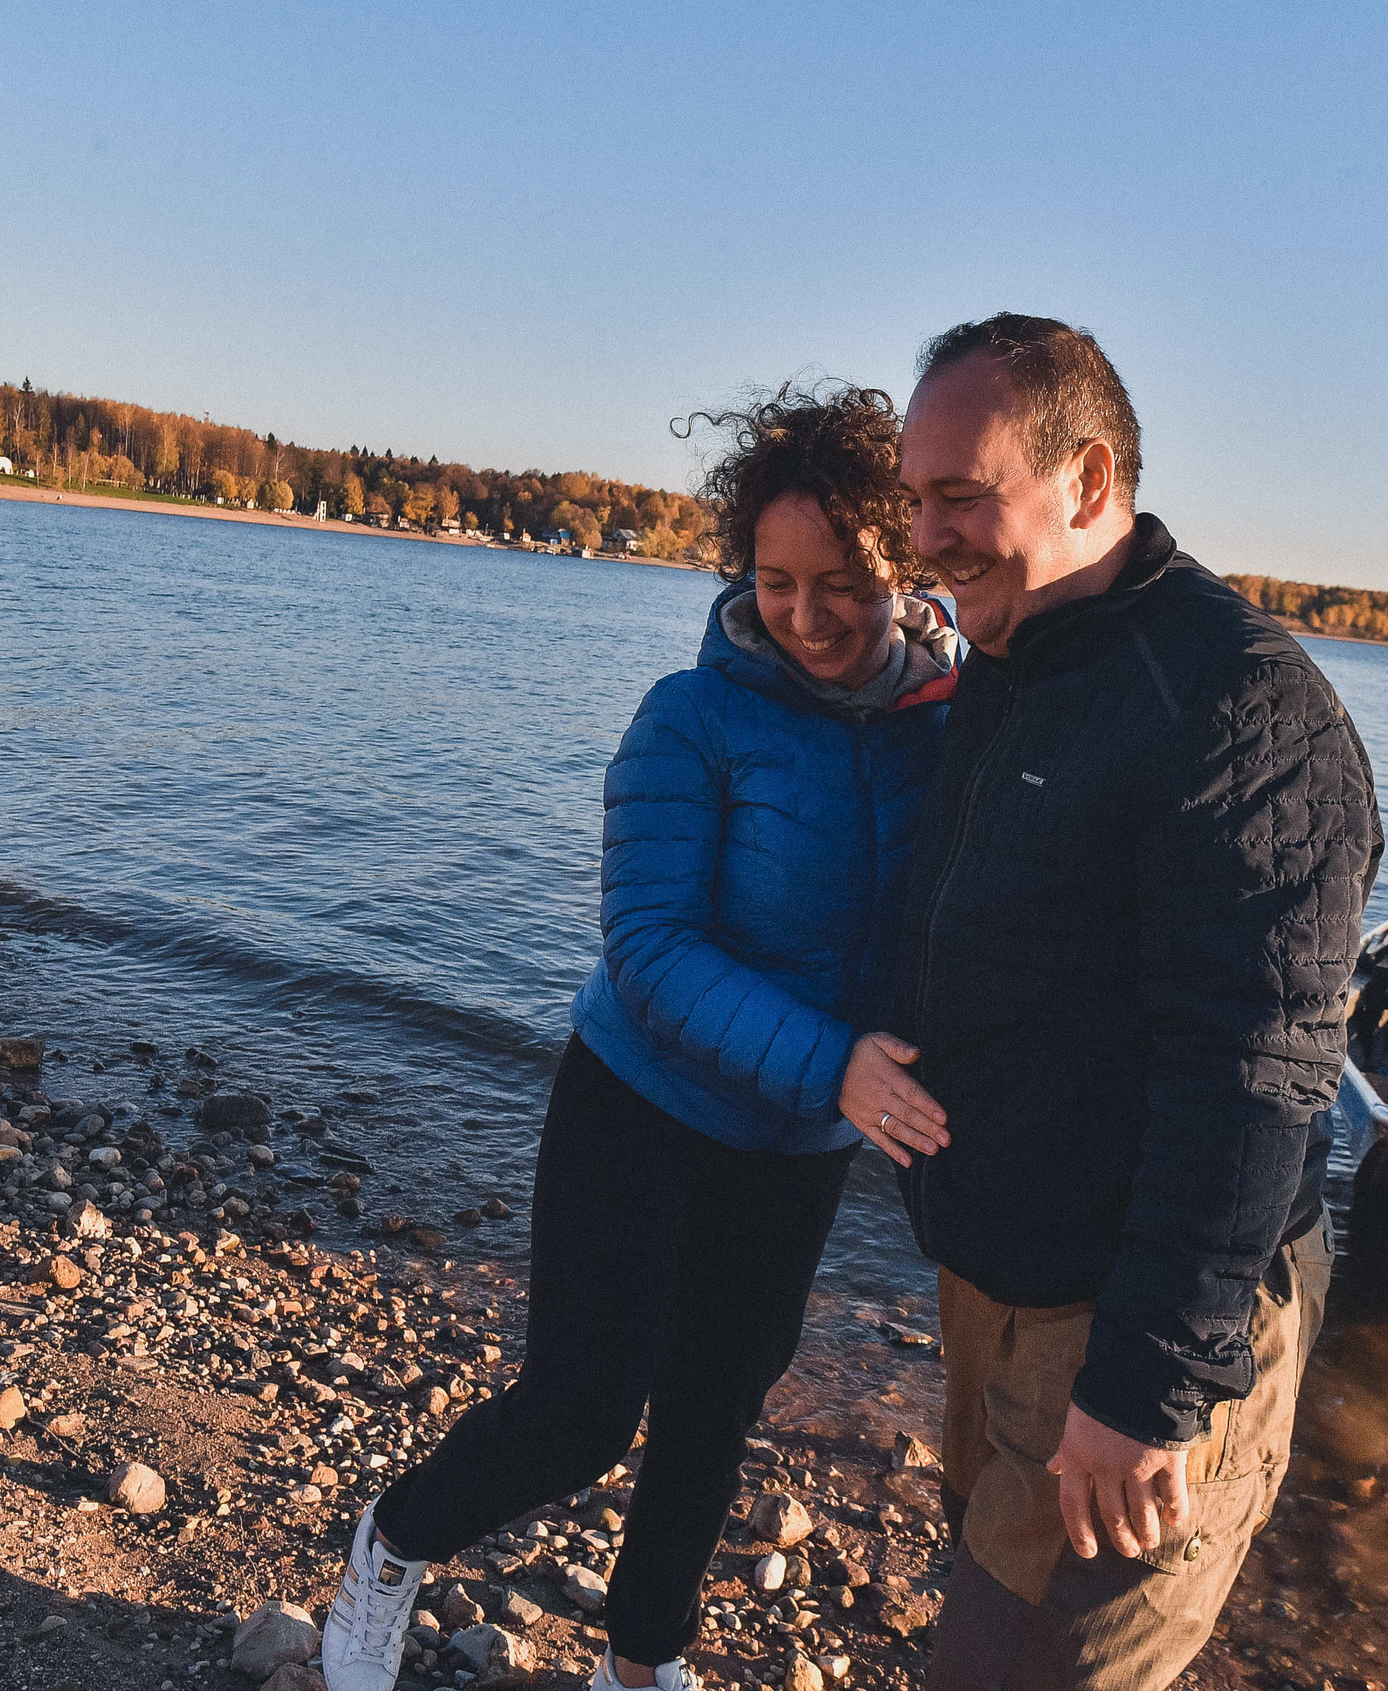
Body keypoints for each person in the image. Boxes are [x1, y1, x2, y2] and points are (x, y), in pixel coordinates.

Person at [322, 382, 961, 1691]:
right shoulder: (691, 717)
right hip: (640, 1104)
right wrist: (837, 1064)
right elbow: (651, 951)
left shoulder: (954, 729)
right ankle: (391, 1545)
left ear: (902, 565)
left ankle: (641, 1660)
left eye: (841, 582)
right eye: (776, 582)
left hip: (799, 1147)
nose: (807, 615)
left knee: (717, 1409)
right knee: (582, 1411)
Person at [879, 314, 1382, 1691]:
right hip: (1000, 1289)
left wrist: (1146, 1386)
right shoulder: (1016, 663)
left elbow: (1257, 1076)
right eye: (913, 498)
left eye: (959, 496)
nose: (924, 536)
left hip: (1127, 1321)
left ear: (1089, 479)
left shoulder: (1240, 711)